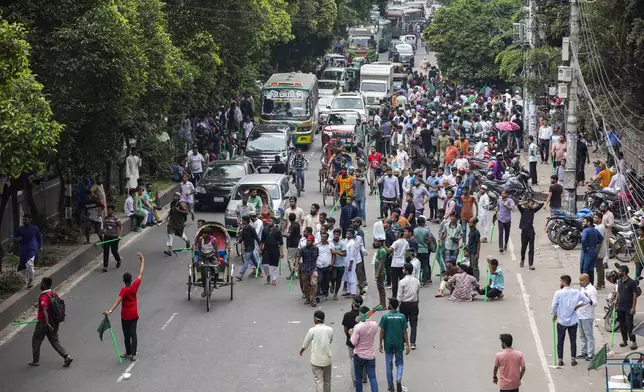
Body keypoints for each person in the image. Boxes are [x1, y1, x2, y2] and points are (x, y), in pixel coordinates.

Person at [103, 252, 145, 362]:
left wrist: (110, 311)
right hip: (134, 315)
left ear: (123, 280)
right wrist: (142, 260)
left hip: (125, 316)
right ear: (131, 280)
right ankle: (133, 354)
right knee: (133, 334)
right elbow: (140, 273)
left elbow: (118, 301)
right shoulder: (134, 286)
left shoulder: (124, 290)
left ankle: (128, 352)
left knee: (126, 335)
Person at [29, 276, 73, 367]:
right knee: (55, 341)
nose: (40, 285)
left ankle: (35, 360)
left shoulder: (43, 296)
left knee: (36, 340)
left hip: (43, 322)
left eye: (41, 283)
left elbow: (45, 309)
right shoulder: (53, 293)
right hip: (54, 322)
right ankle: (66, 356)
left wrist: (46, 322)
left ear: (44, 285)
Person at [550, 274, 590, 366]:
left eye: (560, 281)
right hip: (573, 321)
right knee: (573, 340)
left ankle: (560, 360)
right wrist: (577, 306)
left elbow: (554, 305)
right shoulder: (576, 292)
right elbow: (587, 300)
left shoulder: (558, 293)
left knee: (560, 341)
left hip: (562, 321)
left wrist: (554, 314)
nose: (560, 283)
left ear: (564, 282)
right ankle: (573, 359)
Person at [379, 298, 410, 392]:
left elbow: (382, 331)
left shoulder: (385, 317)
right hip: (399, 343)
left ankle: (390, 386)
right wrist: (407, 344)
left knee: (389, 364)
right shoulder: (402, 317)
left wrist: (380, 343)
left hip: (388, 343)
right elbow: (405, 331)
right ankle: (398, 379)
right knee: (400, 363)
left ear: (391, 305)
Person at [300, 310, 334, 392]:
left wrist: (302, 350)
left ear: (315, 319)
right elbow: (330, 340)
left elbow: (306, 342)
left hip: (316, 360)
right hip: (327, 359)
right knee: (327, 380)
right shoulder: (330, 329)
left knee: (318, 380)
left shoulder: (312, 330)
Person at [351, 305, 379, 392]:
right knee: (372, 377)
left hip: (359, 355)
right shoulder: (374, 325)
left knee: (358, 377)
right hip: (370, 355)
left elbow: (353, 342)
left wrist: (351, 333)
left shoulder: (358, 327)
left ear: (361, 314)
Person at [343, 296, 367, 386]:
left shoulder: (347, 315)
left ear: (353, 304)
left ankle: (355, 379)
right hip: (362, 341)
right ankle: (364, 377)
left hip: (351, 342)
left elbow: (345, 328)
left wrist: (349, 336)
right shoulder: (363, 315)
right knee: (363, 358)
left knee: (353, 360)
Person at [14, 213, 43, 288]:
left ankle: (31, 279)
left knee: (29, 263)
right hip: (23, 250)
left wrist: (41, 246)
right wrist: (17, 239)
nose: (24, 221)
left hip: (32, 249)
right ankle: (27, 281)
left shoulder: (34, 229)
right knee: (21, 269)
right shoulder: (19, 229)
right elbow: (15, 238)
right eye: (23, 219)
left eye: (26, 219)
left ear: (30, 220)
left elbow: (39, 238)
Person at [397, 263, 420, 350]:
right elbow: (418, 294)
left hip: (404, 304)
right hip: (414, 303)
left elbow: (399, 296)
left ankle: (403, 341)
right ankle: (413, 342)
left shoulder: (402, 282)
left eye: (403, 269)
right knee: (413, 324)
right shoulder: (416, 281)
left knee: (403, 323)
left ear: (406, 270)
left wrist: (397, 306)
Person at [616, 265, 638, 350]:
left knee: (629, 325)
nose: (618, 273)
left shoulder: (632, 283)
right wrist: (616, 300)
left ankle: (633, 342)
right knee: (622, 325)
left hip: (628, 307)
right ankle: (624, 340)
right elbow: (618, 291)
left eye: (620, 271)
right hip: (620, 307)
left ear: (624, 273)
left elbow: (635, 295)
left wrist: (633, 307)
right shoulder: (619, 281)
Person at [577, 273, 598, 361]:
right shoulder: (583, 288)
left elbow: (594, 303)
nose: (580, 282)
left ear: (586, 280)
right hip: (580, 315)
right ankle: (584, 351)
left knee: (589, 335)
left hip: (587, 316)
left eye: (581, 280)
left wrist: (588, 300)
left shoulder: (592, 290)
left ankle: (590, 353)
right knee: (582, 335)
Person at [517, 199, 543, 270]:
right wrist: (525, 202)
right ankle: (522, 260)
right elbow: (518, 205)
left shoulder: (533, 210)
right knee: (523, 248)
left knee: (531, 248)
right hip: (524, 232)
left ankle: (530, 264)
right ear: (527, 204)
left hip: (531, 231)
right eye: (531, 204)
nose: (532, 205)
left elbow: (541, 204)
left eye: (533, 204)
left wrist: (535, 200)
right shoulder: (523, 210)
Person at [580, 216, 602, 285]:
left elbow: (583, 239)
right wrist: (595, 243)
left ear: (588, 223)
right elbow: (601, 238)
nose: (583, 223)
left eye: (584, 222)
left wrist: (584, 248)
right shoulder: (595, 230)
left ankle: (585, 285)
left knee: (585, 269)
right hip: (594, 251)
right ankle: (591, 284)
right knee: (591, 269)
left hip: (587, 252)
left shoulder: (585, 230)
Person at [260, 219, 283, 285]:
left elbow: (281, 243)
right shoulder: (264, 230)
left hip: (275, 250)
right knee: (265, 265)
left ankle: (274, 279)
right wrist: (260, 249)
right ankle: (268, 275)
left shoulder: (278, 231)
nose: (269, 222)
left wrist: (282, 252)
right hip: (266, 249)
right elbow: (262, 241)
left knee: (274, 266)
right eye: (268, 221)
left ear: (274, 222)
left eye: (270, 221)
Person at [413, 216, 434, 287]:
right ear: (423, 223)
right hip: (424, 249)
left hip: (417, 250)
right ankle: (425, 281)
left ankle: (418, 280)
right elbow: (430, 240)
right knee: (425, 265)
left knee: (418, 265)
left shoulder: (414, 230)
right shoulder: (426, 231)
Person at [300, 235, 320, 307]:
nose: (308, 242)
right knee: (305, 286)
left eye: (309, 241)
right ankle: (308, 298)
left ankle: (313, 300)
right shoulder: (303, 249)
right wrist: (296, 266)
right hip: (305, 269)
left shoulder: (316, 249)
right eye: (307, 241)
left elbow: (317, 257)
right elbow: (298, 257)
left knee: (314, 285)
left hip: (313, 269)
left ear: (313, 241)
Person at [102, 205, 123, 272]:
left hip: (114, 238)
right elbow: (104, 227)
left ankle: (118, 260)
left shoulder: (116, 218)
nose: (108, 211)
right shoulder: (105, 218)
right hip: (107, 237)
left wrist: (119, 235)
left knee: (114, 251)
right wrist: (102, 232)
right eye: (107, 210)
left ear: (113, 210)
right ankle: (105, 266)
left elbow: (121, 226)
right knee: (106, 251)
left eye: (110, 210)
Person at [389, 229, 409, 299]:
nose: (395, 234)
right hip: (402, 263)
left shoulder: (396, 242)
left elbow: (389, 250)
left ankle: (394, 296)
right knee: (402, 280)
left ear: (400, 234)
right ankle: (403, 295)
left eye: (397, 233)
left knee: (394, 282)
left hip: (395, 264)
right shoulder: (406, 242)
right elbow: (406, 252)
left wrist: (384, 245)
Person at [496, 189, 515, 253]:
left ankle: (506, 244)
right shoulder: (499, 201)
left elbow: (512, 208)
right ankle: (500, 247)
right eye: (502, 193)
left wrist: (506, 205)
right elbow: (498, 208)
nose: (502, 195)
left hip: (507, 220)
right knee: (500, 233)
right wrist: (495, 213)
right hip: (500, 219)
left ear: (507, 194)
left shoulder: (510, 200)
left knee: (507, 233)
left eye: (504, 193)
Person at [316, 232, 333, 300]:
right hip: (319, 266)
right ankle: (318, 293)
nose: (323, 238)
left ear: (327, 238)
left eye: (324, 237)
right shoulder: (318, 246)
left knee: (326, 280)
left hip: (327, 266)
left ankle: (325, 292)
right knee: (319, 280)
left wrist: (332, 264)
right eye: (322, 237)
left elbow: (333, 254)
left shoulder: (330, 245)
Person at [593, 212, 607, 289]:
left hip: (600, 250)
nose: (594, 219)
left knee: (599, 267)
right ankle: (602, 283)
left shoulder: (601, 227)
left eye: (596, 218)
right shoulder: (597, 226)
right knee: (600, 267)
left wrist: (597, 251)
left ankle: (599, 283)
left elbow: (599, 240)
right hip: (598, 250)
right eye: (594, 217)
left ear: (600, 219)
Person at [285, 213, 301, 278]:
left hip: (292, 244)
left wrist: (282, 233)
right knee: (297, 258)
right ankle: (297, 273)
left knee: (289, 259)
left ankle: (293, 272)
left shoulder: (292, 226)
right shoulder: (297, 224)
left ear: (289, 218)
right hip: (298, 243)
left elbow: (288, 235)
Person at [374, 238, 388, 308]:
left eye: (377, 241)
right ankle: (380, 303)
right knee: (379, 288)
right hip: (379, 272)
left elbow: (381, 263)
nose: (375, 243)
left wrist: (377, 273)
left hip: (381, 273)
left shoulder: (382, 251)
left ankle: (383, 305)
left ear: (381, 242)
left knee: (381, 288)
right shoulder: (380, 249)